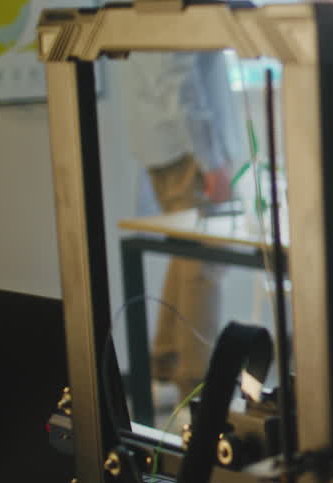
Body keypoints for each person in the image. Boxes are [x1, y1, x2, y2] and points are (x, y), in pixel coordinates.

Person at [123, 51, 243, 399]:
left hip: (170, 145)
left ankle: (167, 362)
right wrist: (211, 161)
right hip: (190, 151)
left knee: (188, 258)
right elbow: (179, 81)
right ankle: (197, 385)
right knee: (204, 266)